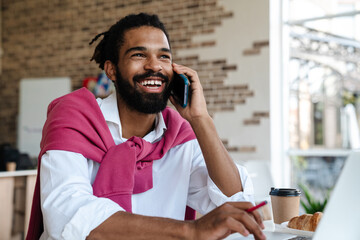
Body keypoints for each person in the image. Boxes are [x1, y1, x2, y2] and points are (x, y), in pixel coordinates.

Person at [26, 13, 266, 240]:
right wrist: (190, 232)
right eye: (139, 55)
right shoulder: (74, 119)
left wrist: (201, 119)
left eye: (164, 56)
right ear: (111, 70)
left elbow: (234, 199)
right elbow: (68, 214)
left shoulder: (179, 135)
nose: (154, 66)